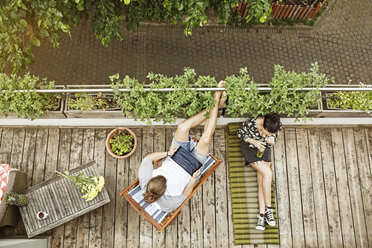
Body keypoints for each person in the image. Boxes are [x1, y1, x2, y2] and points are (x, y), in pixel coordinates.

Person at [138, 82, 226, 213]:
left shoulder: (145, 182)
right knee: (206, 138)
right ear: (163, 192)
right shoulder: (167, 205)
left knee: (182, 128)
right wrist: (194, 179)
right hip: (190, 167)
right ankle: (216, 97)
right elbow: (186, 193)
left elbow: (148, 158)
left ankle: (218, 106)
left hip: (175, 156)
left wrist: (167, 153)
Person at [237, 113, 282, 231]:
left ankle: (261, 217)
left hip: (264, 149)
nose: (266, 135)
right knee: (268, 173)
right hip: (250, 148)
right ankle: (269, 208)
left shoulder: (277, 126)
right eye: (266, 133)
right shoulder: (251, 123)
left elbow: (274, 139)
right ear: (263, 124)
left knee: (262, 180)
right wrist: (254, 141)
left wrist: (272, 141)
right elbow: (240, 134)